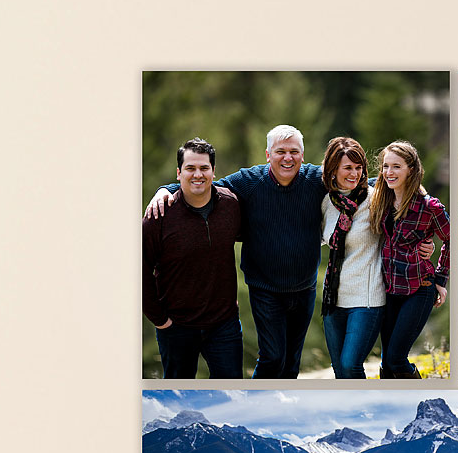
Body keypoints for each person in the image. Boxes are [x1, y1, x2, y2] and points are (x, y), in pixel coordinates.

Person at [145, 123, 331, 378]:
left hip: (301, 290)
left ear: (302, 153)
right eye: (280, 151)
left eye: (294, 151)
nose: (288, 158)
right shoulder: (247, 182)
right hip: (261, 290)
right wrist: (165, 189)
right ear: (268, 155)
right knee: (273, 357)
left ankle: (278, 410)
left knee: (290, 364)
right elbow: (204, 184)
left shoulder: (315, 180)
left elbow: (350, 179)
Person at [140, 139, 245, 380]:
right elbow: (138, 270)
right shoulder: (158, 216)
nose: (197, 174)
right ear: (179, 173)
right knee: (177, 392)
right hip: (176, 327)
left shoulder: (231, 205)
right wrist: (160, 320)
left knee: (232, 390)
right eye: (190, 168)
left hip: (224, 324)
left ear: (213, 171)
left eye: (204, 168)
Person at [369, 140, 449, 379]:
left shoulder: (429, 207)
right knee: (386, 364)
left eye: (396, 167)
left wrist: (440, 279)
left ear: (411, 169)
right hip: (389, 290)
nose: (389, 173)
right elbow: (346, 178)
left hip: (419, 289)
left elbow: (452, 238)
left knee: (396, 358)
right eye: (385, 166)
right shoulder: (380, 198)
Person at [318, 137, 388, 378]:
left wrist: (427, 243)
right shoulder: (327, 202)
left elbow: (413, 212)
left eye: (359, 168)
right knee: (339, 371)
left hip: (366, 298)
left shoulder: (376, 199)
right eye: (348, 168)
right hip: (334, 299)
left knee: (350, 365)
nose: (355, 174)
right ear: (333, 169)